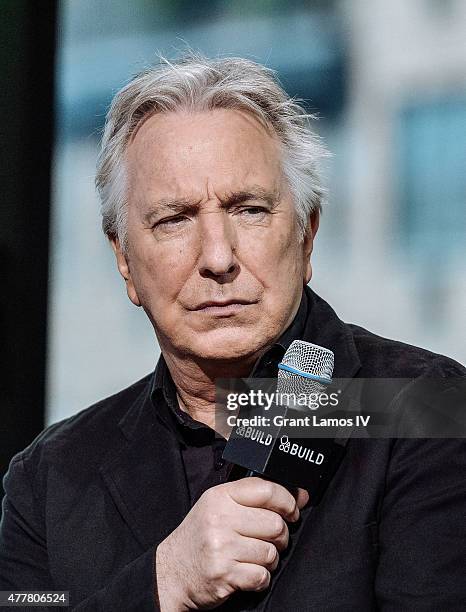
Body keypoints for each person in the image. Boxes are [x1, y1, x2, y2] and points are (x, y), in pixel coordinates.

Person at [0, 52, 465, 611]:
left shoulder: (427, 410)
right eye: (174, 219)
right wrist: (163, 583)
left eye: (248, 210)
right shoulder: (49, 478)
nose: (218, 258)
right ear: (124, 259)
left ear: (306, 233)